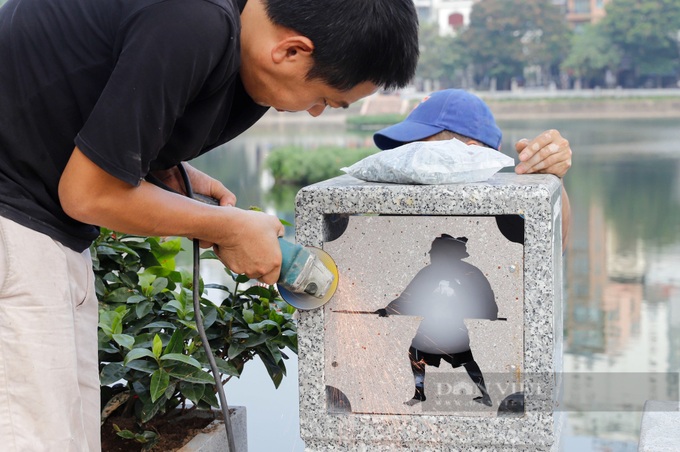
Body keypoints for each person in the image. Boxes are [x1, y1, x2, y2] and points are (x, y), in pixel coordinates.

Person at [0, 0, 419, 449]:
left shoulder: (231, 47)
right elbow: (89, 193)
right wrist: (228, 229)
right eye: (324, 100)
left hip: (40, 225)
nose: (315, 112)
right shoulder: (192, 19)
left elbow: (97, 116)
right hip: (16, 226)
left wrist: (170, 177)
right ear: (292, 51)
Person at [373, 89, 572, 248]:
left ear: (469, 153)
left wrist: (552, 179)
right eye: (403, 149)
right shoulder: (396, 209)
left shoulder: (503, 218)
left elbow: (552, 246)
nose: (403, 159)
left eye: (417, 147)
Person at [378, 235, 497, 407]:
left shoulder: (470, 273)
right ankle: (419, 394)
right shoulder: (429, 272)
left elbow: (484, 295)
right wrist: (388, 310)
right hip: (431, 324)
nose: (432, 256)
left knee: (466, 360)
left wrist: (490, 311)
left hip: (453, 326)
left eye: (436, 253)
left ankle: (485, 395)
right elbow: (409, 296)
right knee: (416, 355)